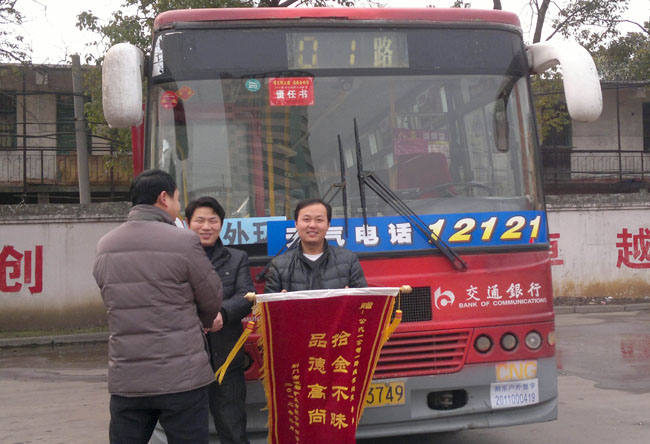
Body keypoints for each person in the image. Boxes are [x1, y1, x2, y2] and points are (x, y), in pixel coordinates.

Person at [93, 169, 223, 444]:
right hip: (181, 376)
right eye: (177, 198)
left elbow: (110, 298)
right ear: (164, 198)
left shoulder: (106, 245)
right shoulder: (183, 241)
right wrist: (203, 321)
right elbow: (211, 296)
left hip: (127, 379)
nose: (178, 205)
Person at [185, 196, 255, 444]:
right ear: (187, 223)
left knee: (233, 428)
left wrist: (222, 314)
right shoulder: (177, 257)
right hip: (186, 360)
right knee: (188, 431)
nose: (206, 227)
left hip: (227, 357)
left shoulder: (237, 258)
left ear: (221, 225)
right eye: (200, 220)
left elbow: (247, 296)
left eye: (213, 221)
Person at [264, 198, 367, 293]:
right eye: (306, 219)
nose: (312, 225)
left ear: (328, 225)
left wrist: (352, 300)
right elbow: (266, 305)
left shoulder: (348, 261)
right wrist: (279, 303)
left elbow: (366, 302)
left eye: (319, 220)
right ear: (296, 224)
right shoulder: (279, 265)